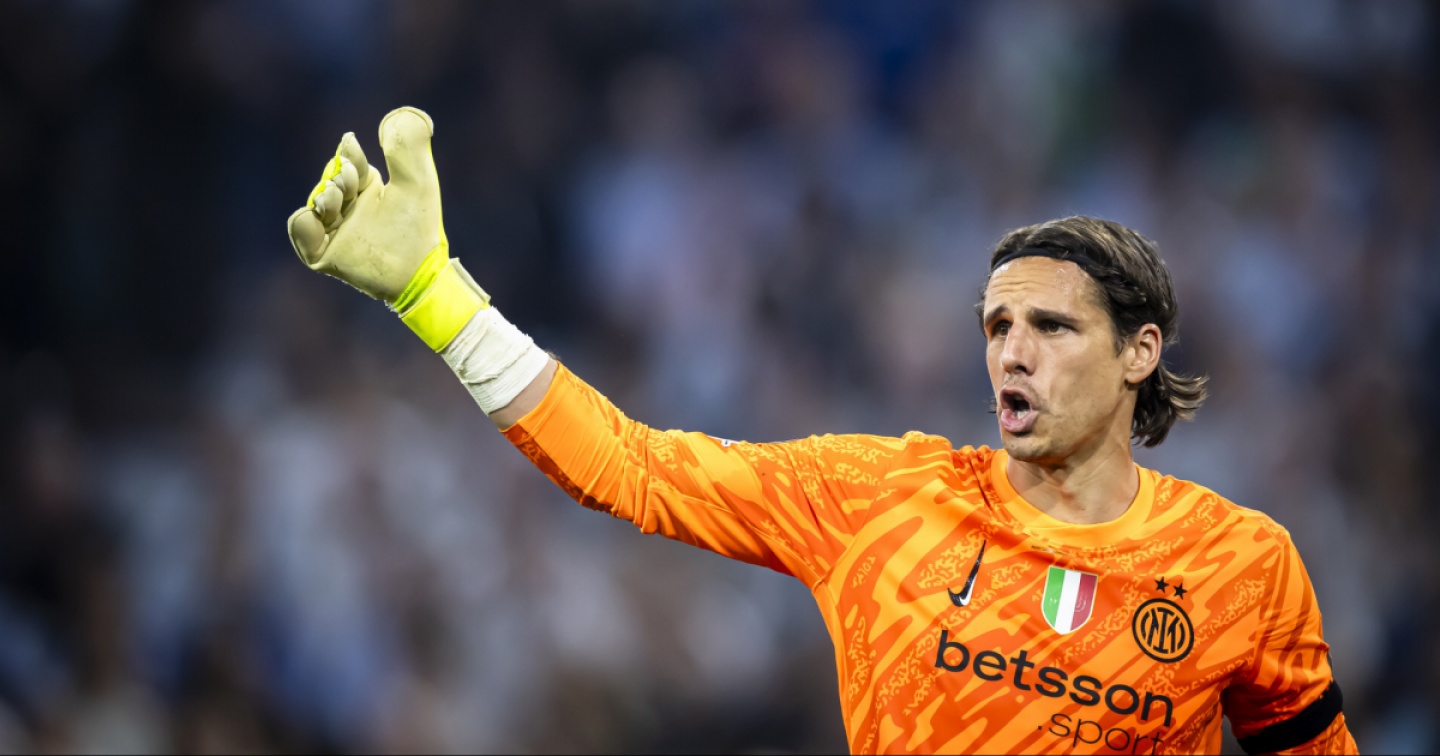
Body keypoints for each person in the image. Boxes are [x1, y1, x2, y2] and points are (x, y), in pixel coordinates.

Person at [287, 107, 1358, 755]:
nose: (1013, 353)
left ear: (1139, 352)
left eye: (1053, 328)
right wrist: (435, 296)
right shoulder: (876, 500)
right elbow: (629, 466)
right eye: (997, 327)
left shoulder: (1242, 567)